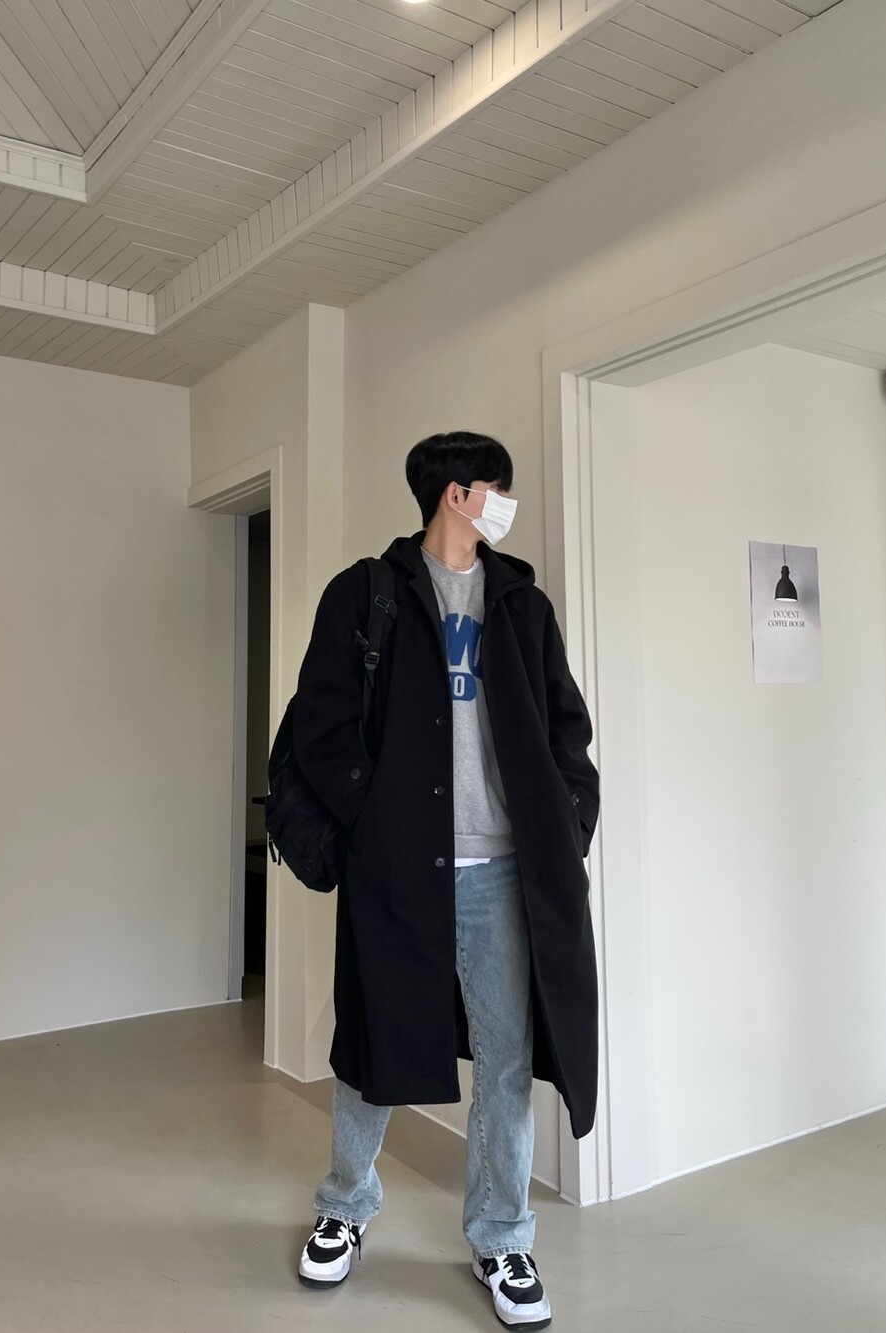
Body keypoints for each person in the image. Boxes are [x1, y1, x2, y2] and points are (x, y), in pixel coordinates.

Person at [292, 430, 600, 1329]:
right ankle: (345, 1206)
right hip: (400, 870)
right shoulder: (367, 592)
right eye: (496, 488)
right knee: (375, 1044)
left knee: (506, 1059)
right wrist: (372, 820)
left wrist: (569, 820)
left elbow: (566, 729)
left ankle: (502, 1236)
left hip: (505, 873)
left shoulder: (521, 605)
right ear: (457, 494)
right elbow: (321, 722)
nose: (505, 503)